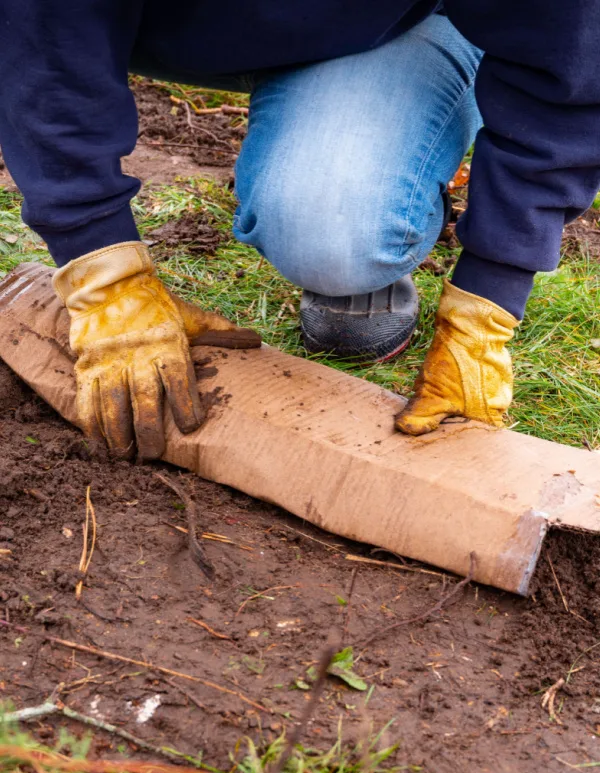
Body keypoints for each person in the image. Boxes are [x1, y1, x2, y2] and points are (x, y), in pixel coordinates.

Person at [0, 2, 598, 458]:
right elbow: (40, 29)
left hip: (382, 27)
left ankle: (384, 175)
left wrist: (489, 303)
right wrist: (102, 268)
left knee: (336, 231)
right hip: (160, 21)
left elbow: (567, 59)